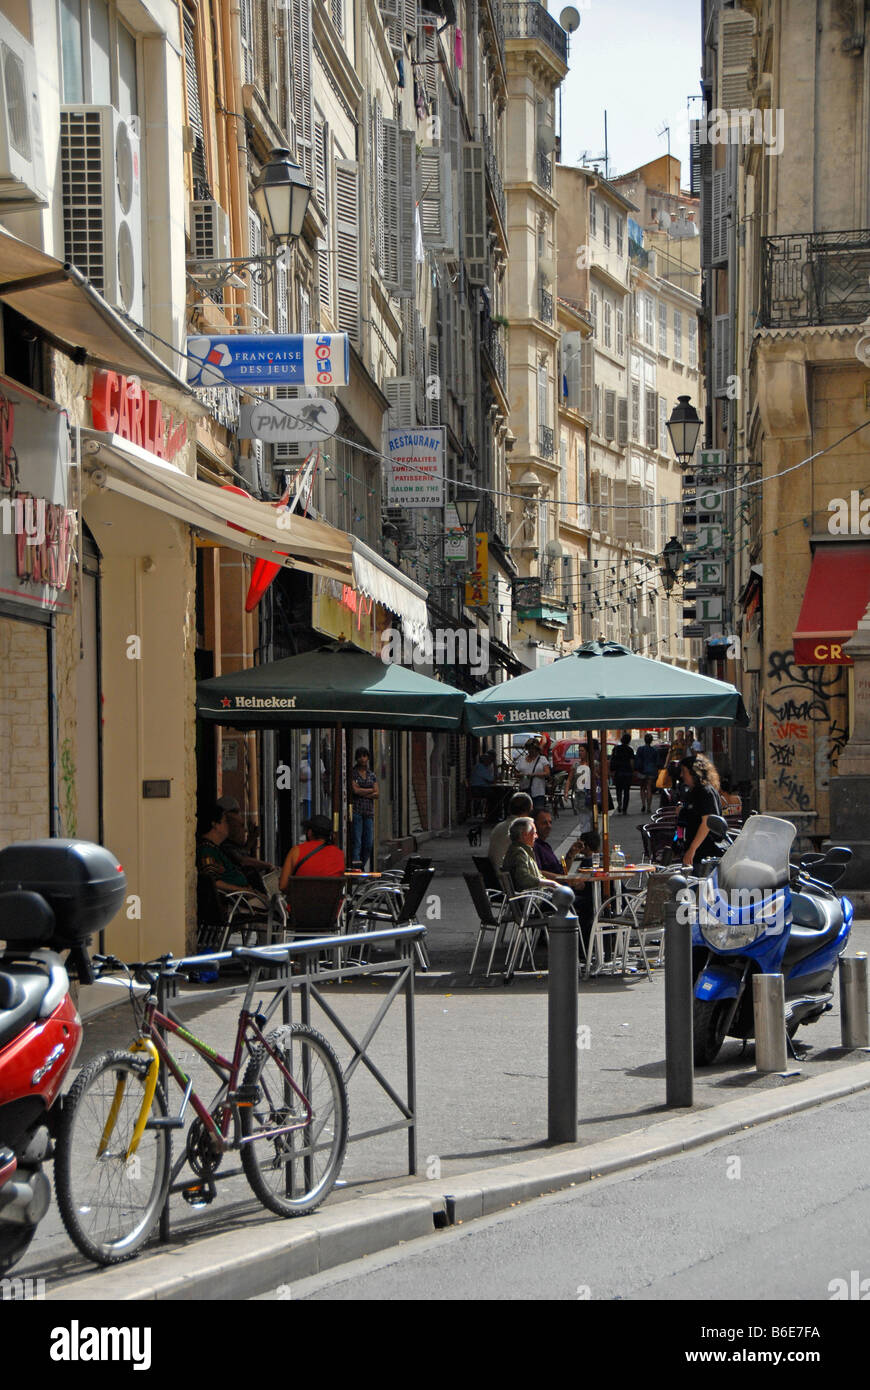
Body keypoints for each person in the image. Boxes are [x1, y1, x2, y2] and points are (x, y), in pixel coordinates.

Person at [197, 805, 266, 902]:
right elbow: (213, 882)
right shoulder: (207, 850)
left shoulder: (214, 848)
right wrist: (242, 890)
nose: (228, 825)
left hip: (243, 897)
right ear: (215, 824)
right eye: (225, 821)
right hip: (236, 903)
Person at [677, 754, 724, 874]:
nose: (681, 775)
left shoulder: (705, 791)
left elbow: (707, 822)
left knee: (700, 889)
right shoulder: (694, 791)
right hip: (697, 852)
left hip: (704, 854)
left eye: (684, 771)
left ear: (694, 772)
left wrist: (692, 849)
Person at [279, 814, 345, 890]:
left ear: (310, 832)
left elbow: (283, 885)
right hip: (330, 901)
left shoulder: (296, 851)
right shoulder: (339, 854)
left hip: (300, 901)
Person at [216, 795, 275, 881]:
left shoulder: (233, 845)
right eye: (240, 826)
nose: (244, 830)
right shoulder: (224, 845)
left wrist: (252, 841)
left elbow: (245, 855)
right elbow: (243, 861)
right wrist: (268, 865)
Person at [487, 792, 534, 873]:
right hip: (510, 878)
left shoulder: (498, 827)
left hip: (495, 876)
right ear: (529, 810)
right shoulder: (523, 829)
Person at [349, 747, 378, 870]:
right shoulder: (353, 773)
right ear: (357, 758)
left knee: (368, 843)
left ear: (368, 757)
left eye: (364, 756)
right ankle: (356, 871)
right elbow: (354, 790)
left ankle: (360, 867)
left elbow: (377, 793)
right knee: (357, 842)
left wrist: (362, 791)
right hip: (356, 811)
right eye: (360, 756)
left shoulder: (371, 774)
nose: (362, 758)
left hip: (368, 813)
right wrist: (370, 790)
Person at [513, 737, 551, 811]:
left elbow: (547, 773)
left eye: (533, 749)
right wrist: (521, 775)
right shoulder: (522, 759)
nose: (531, 751)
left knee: (537, 813)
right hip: (525, 791)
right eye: (529, 749)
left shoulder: (542, 759)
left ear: (537, 749)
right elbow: (516, 773)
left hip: (538, 792)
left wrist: (534, 775)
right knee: (525, 813)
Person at [633, 734, 660, 817]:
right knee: (649, 788)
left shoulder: (640, 749)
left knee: (642, 788)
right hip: (651, 770)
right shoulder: (655, 750)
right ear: (651, 740)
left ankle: (643, 804)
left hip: (642, 770)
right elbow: (657, 762)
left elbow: (637, 760)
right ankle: (649, 807)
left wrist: (636, 769)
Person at [610, 733, 635, 816]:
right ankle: (625, 809)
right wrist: (632, 770)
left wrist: (612, 771)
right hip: (627, 772)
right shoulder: (630, 750)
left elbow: (612, 760)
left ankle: (619, 802)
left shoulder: (616, 748)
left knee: (618, 790)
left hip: (618, 772)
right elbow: (631, 762)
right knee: (627, 791)